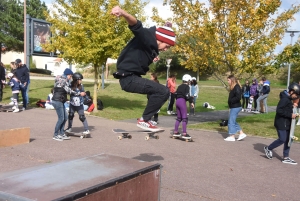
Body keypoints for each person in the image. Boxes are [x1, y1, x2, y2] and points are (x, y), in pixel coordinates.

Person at [111, 6, 175, 131]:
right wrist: (123, 12)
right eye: (166, 46)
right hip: (128, 78)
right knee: (163, 91)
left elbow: (148, 51)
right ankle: (144, 120)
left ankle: (147, 118)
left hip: (131, 78)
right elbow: (136, 25)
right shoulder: (147, 36)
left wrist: (153, 57)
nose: (165, 49)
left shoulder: (152, 47)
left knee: (156, 92)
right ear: (160, 39)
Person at [264, 83, 300, 165]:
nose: (296, 97)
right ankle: (268, 148)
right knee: (282, 139)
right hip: (281, 123)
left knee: (288, 140)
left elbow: (287, 108)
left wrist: (293, 106)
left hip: (286, 123)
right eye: (296, 95)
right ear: (291, 91)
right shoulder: (284, 99)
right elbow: (279, 110)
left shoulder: (288, 99)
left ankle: (286, 157)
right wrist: (290, 115)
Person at [51, 68, 85, 141]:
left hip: (59, 100)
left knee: (65, 117)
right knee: (61, 118)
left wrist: (65, 99)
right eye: (70, 76)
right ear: (68, 75)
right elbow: (69, 91)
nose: (70, 78)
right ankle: (56, 135)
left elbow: (58, 90)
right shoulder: (64, 80)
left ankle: (62, 133)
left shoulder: (59, 79)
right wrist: (79, 93)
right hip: (58, 101)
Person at [224, 75, 247, 141]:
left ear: (232, 80)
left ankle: (232, 136)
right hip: (234, 106)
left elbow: (238, 97)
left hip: (236, 106)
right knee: (233, 121)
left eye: (228, 80)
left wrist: (231, 101)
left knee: (231, 122)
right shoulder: (233, 87)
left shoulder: (236, 87)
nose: (227, 81)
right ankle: (241, 133)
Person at [172, 74, 194, 140]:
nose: (190, 82)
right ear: (188, 80)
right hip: (182, 102)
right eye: (189, 81)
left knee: (179, 118)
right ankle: (184, 133)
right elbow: (187, 95)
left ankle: (175, 132)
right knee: (184, 118)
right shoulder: (187, 87)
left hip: (177, 101)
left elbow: (175, 94)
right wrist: (191, 102)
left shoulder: (179, 86)